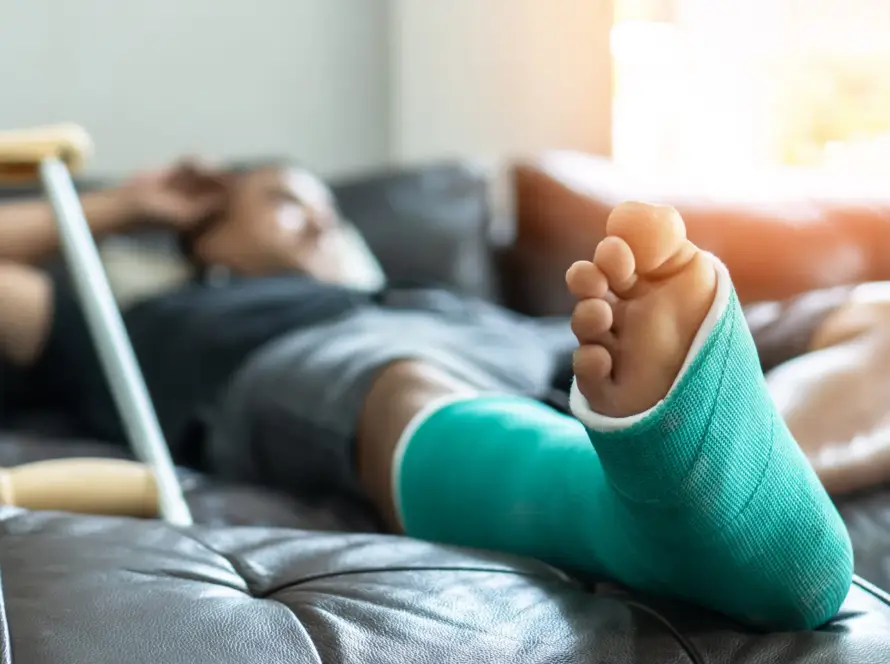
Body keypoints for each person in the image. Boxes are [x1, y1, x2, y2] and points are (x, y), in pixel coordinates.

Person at [0, 161, 856, 630]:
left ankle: (729, 471)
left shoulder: (431, 290)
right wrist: (115, 207)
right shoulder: (142, 318)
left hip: (524, 344)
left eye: (327, 207)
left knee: (870, 309)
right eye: (283, 205)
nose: (320, 217)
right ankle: (686, 488)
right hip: (329, 358)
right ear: (209, 245)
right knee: (398, 381)